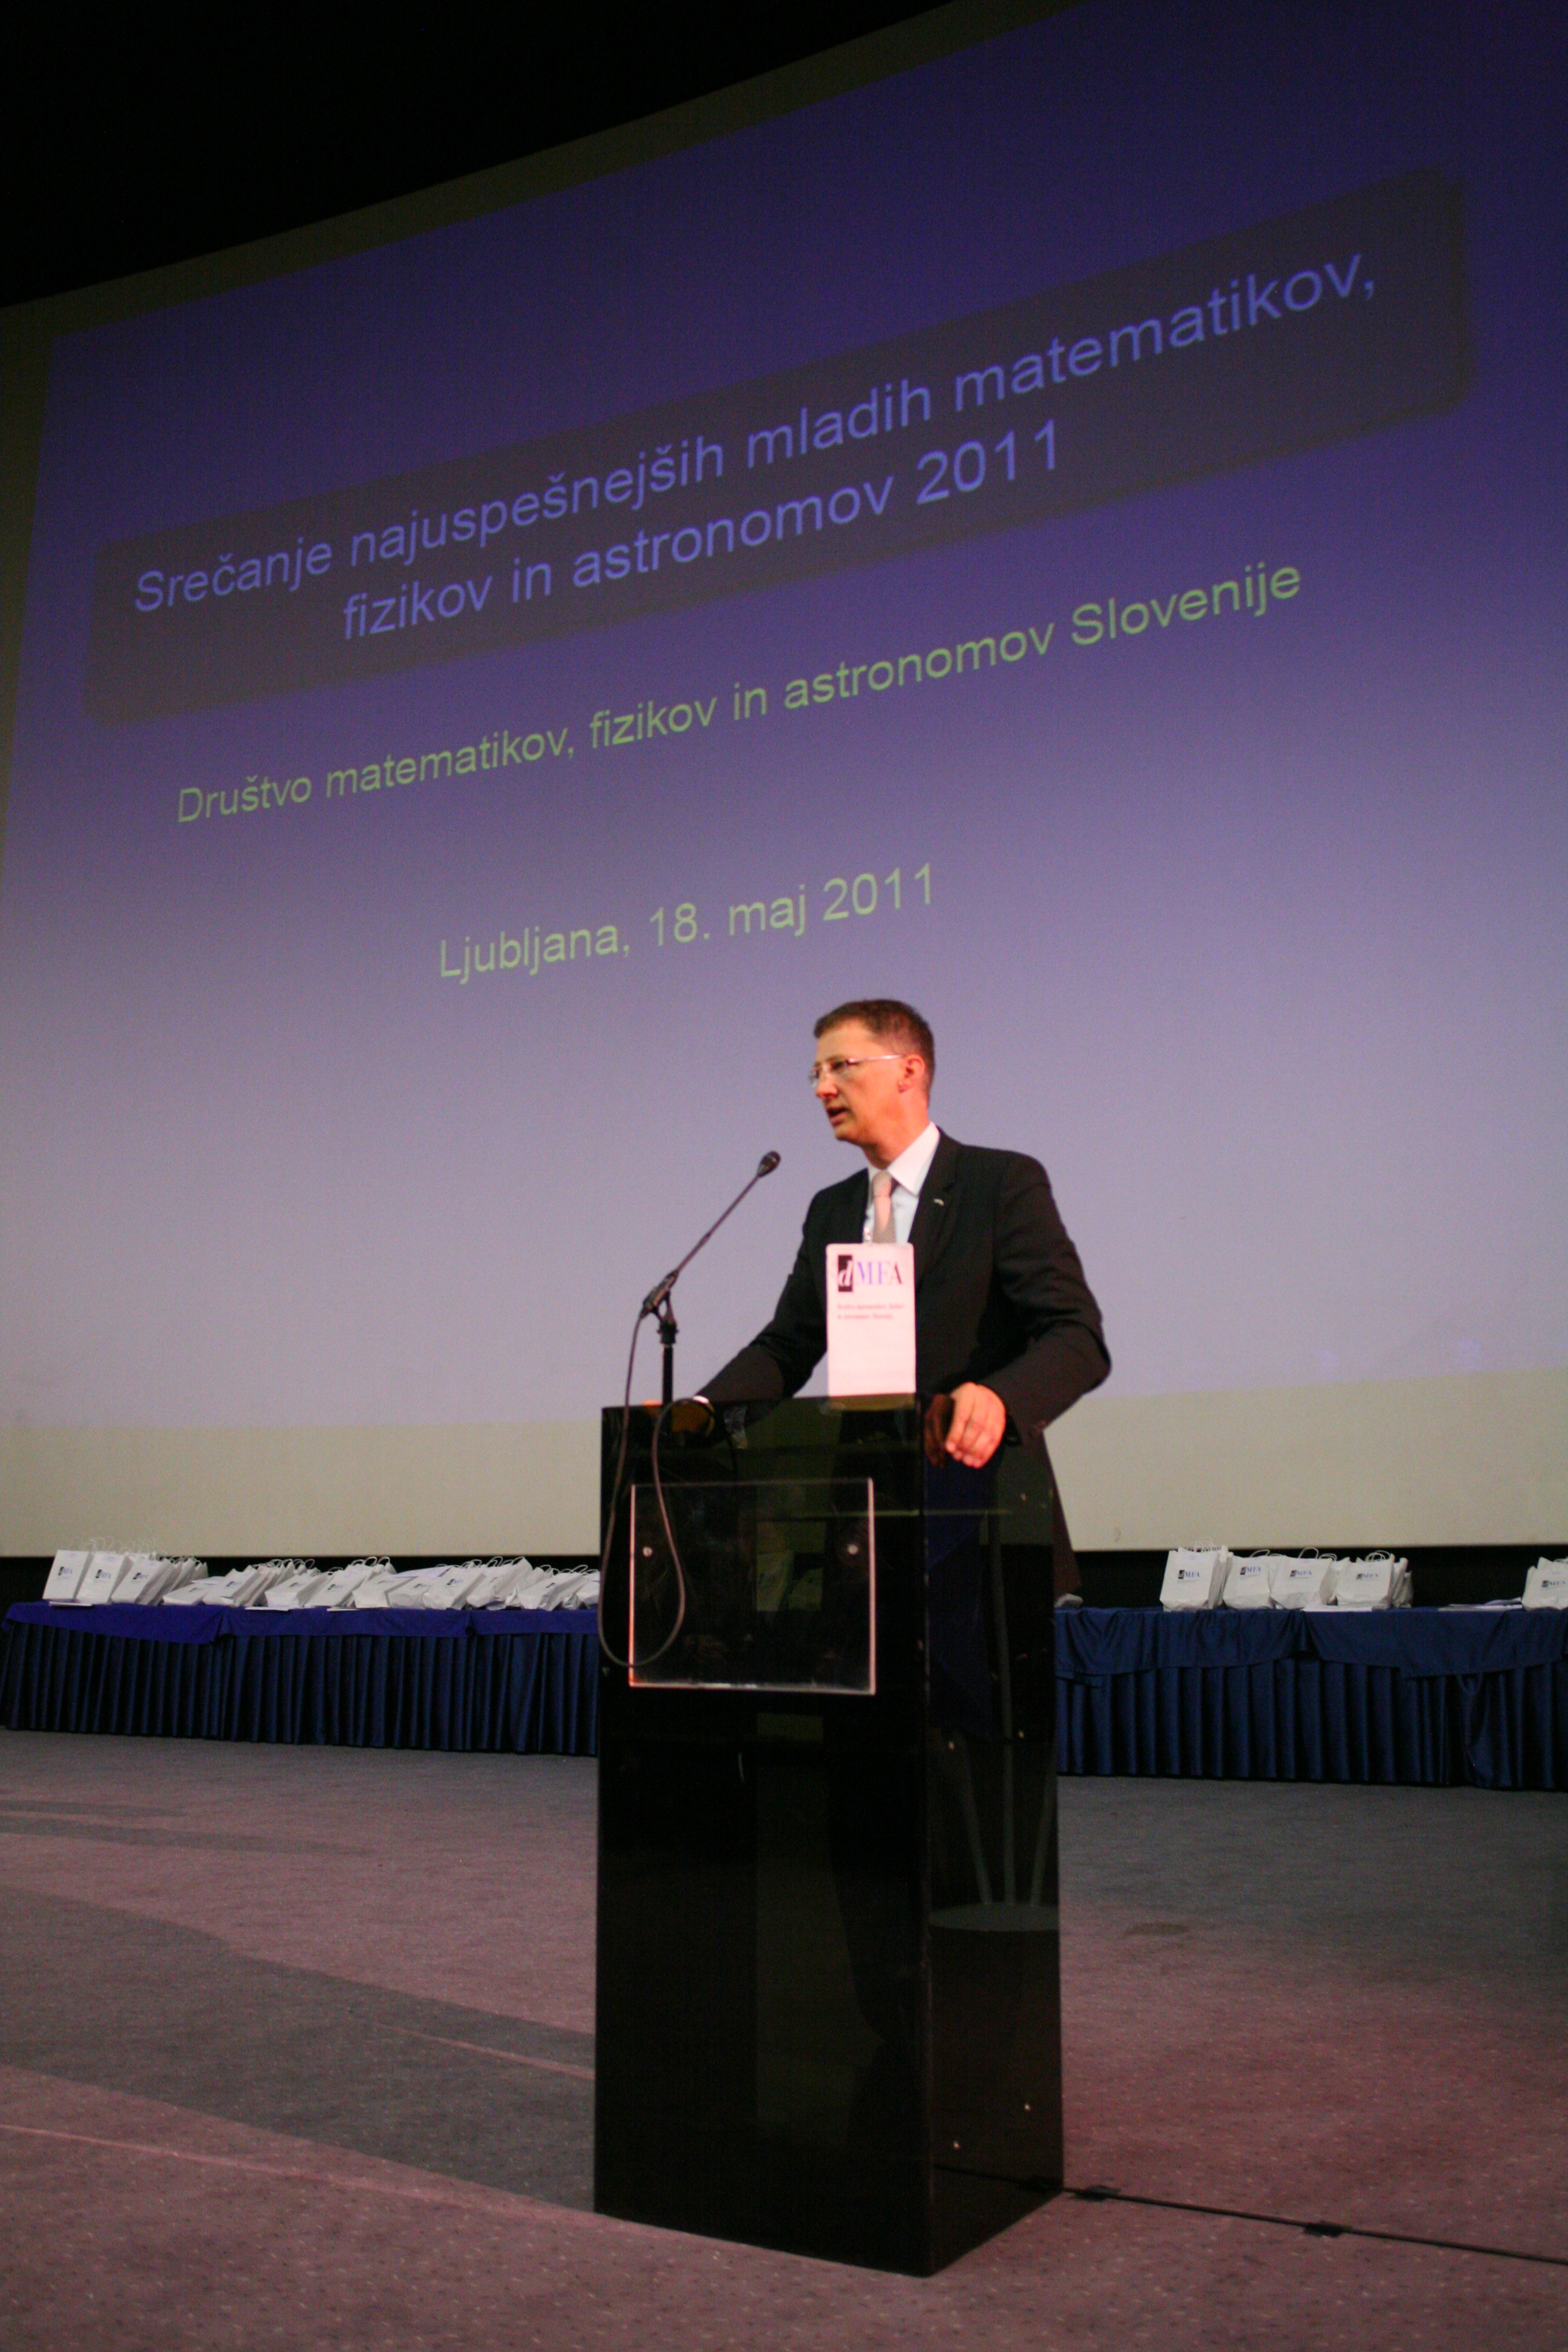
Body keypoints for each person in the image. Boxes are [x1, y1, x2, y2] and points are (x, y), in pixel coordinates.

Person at [701, 997, 1109, 1592]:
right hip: (865, 1530)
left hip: (984, 1515)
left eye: (841, 1066)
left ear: (908, 1071)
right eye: (816, 1073)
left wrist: (999, 1399)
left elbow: (1076, 1336)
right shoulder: (832, 1209)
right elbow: (788, 1345)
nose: (822, 1088)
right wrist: (701, 1414)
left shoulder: (998, 1184)